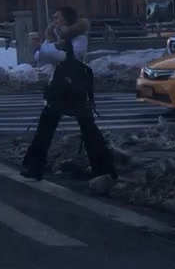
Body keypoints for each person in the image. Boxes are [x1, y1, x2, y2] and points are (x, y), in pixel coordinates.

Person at [21, 36, 116, 185]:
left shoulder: (63, 67)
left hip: (61, 103)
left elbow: (56, 89)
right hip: (80, 104)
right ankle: (104, 168)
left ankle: (34, 167)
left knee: (44, 132)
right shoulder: (82, 68)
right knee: (91, 133)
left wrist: (49, 97)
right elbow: (88, 91)